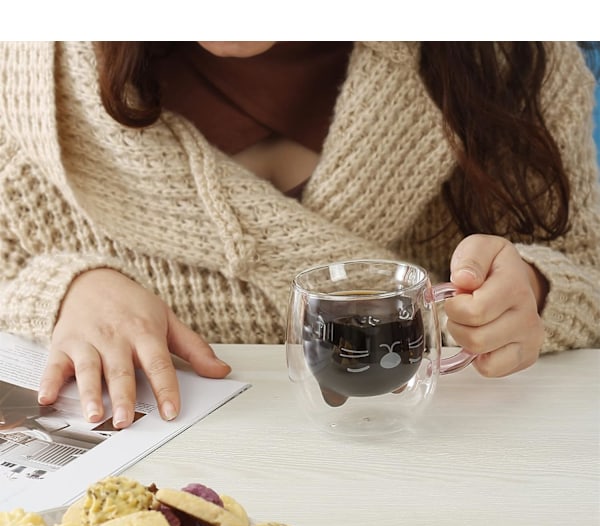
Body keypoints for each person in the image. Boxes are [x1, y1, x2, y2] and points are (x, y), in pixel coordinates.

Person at [0, 41, 598, 429]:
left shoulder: (510, 50)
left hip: (440, 466)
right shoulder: (30, 63)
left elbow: (587, 272)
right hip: (153, 477)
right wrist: (71, 288)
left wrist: (532, 291)